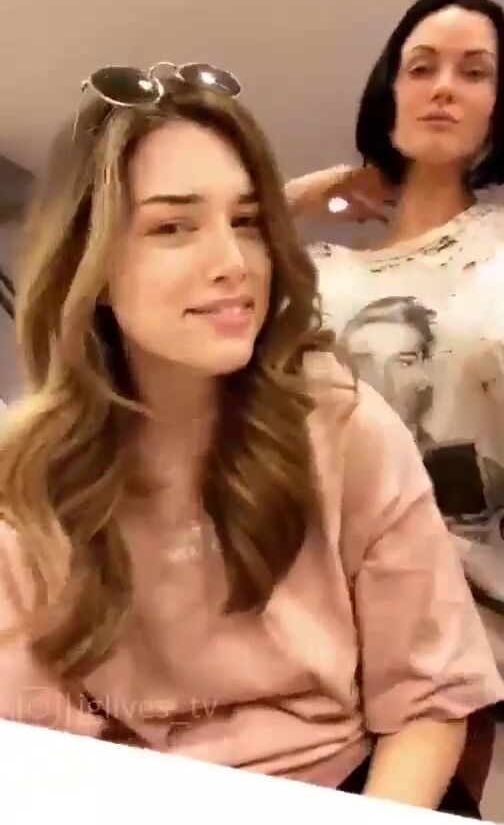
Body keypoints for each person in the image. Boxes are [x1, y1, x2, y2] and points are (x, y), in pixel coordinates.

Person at [0, 60, 502, 818]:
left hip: (355, 789)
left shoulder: (343, 427)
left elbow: (430, 698)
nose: (233, 264)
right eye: (173, 227)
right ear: (91, 263)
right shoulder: (26, 480)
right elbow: (45, 761)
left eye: (245, 221)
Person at [287, 0, 504, 614]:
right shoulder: (318, 280)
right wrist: (299, 196)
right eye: (421, 68)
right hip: (327, 623)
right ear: (391, 94)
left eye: (474, 72)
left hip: (484, 629)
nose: (443, 88)